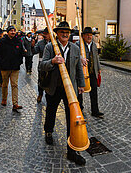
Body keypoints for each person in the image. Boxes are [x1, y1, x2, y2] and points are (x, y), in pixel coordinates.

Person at [40, 21, 86, 165]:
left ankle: (72, 149)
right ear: (57, 33)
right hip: (54, 87)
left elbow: (79, 68)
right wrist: (52, 61)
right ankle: (48, 131)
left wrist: (81, 85)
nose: (65, 34)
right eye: (62, 32)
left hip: (70, 89)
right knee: (51, 111)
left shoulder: (75, 48)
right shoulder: (49, 47)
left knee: (71, 117)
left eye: (67, 32)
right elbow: (42, 65)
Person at [0, 25, 25, 112]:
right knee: (4, 84)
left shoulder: (18, 41)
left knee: (14, 85)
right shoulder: (1, 41)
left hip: (15, 67)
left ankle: (15, 103)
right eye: (11, 30)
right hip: (5, 67)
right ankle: (4, 99)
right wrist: (1, 63)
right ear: (8, 32)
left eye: (14, 30)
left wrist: (19, 62)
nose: (13, 32)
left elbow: (21, 53)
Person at [77, 27, 104, 118]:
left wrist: (98, 69)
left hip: (92, 72)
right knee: (80, 91)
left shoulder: (94, 45)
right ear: (83, 36)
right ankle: (79, 109)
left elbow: (96, 58)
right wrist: (81, 58)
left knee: (94, 91)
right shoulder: (78, 44)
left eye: (90, 35)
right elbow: (76, 56)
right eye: (87, 35)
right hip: (81, 72)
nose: (89, 36)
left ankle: (95, 111)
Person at [32, 27, 50, 103]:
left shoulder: (55, 42)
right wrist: (32, 46)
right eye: (44, 34)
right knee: (41, 80)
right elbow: (35, 51)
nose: (44, 35)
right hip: (42, 65)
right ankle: (40, 94)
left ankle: (49, 95)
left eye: (46, 34)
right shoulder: (40, 43)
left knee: (50, 81)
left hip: (51, 65)